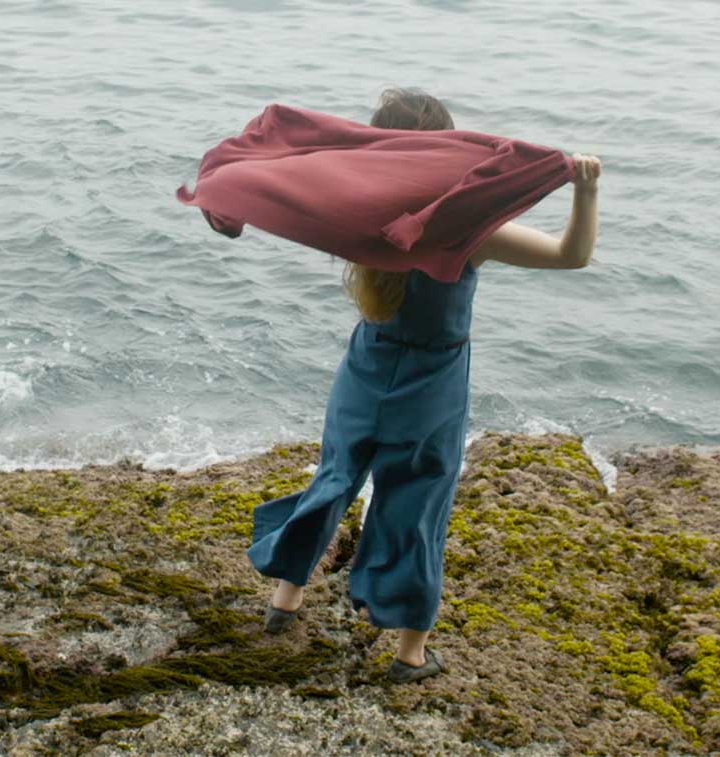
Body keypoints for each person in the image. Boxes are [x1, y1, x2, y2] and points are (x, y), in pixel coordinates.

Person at [246, 86, 602, 682]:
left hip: (366, 366)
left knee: (335, 477)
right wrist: (585, 190)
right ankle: (410, 654)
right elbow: (573, 255)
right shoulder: (469, 231)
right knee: (419, 505)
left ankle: (284, 601)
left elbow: (287, 192)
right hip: (432, 381)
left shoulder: (355, 211)